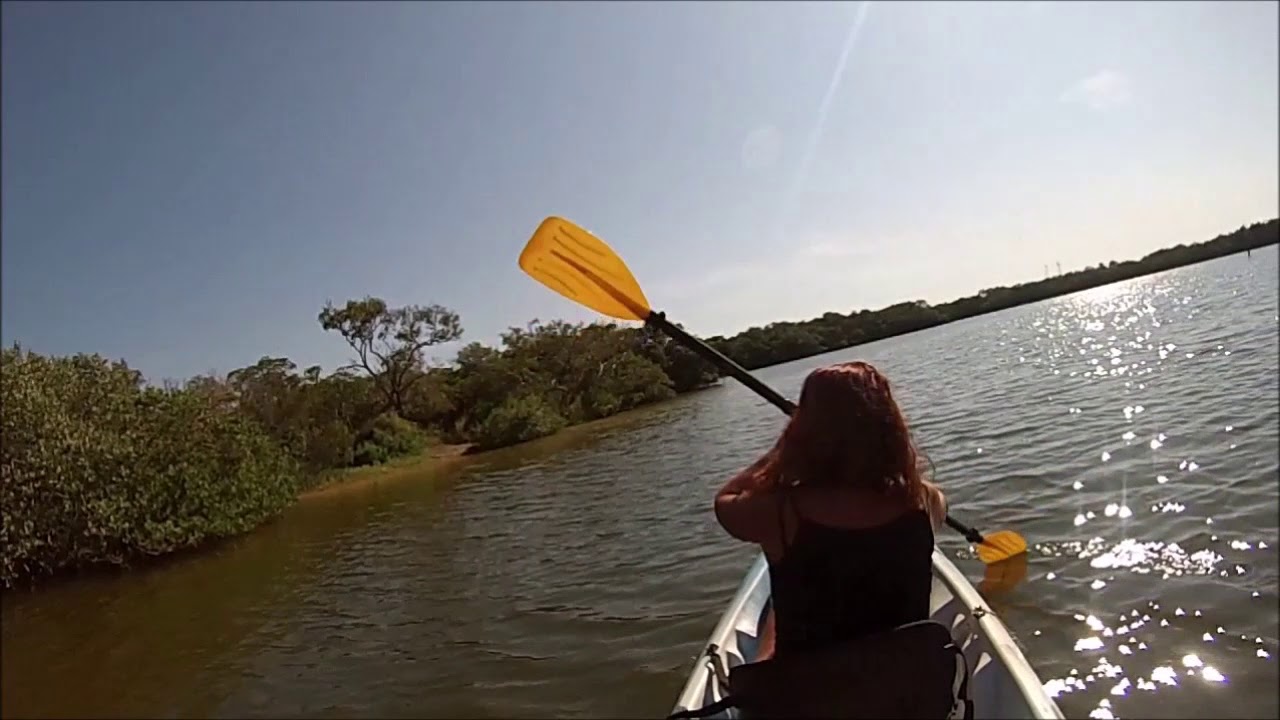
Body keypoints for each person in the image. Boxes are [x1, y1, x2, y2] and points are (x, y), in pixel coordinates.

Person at [713, 360, 948, 662]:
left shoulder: (780, 512)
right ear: (889, 427)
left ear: (804, 432)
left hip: (813, 687)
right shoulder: (926, 500)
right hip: (903, 682)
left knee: (777, 609)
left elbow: (725, 500)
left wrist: (782, 450)